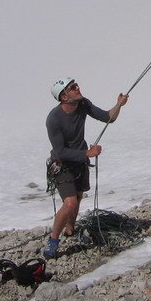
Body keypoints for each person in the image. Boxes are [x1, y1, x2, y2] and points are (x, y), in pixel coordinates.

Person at [44, 77, 128, 259]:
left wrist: (118, 105)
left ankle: (70, 230)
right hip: (62, 165)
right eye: (72, 87)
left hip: (79, 163)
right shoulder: (53, 119)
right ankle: (53, 240)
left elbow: (107, 118)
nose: (77, 88)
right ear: (64, 97)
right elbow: (59, 151)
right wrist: (86, 154)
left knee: (79, 196)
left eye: (76, 85)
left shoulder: (83, 104)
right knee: (70, 202)